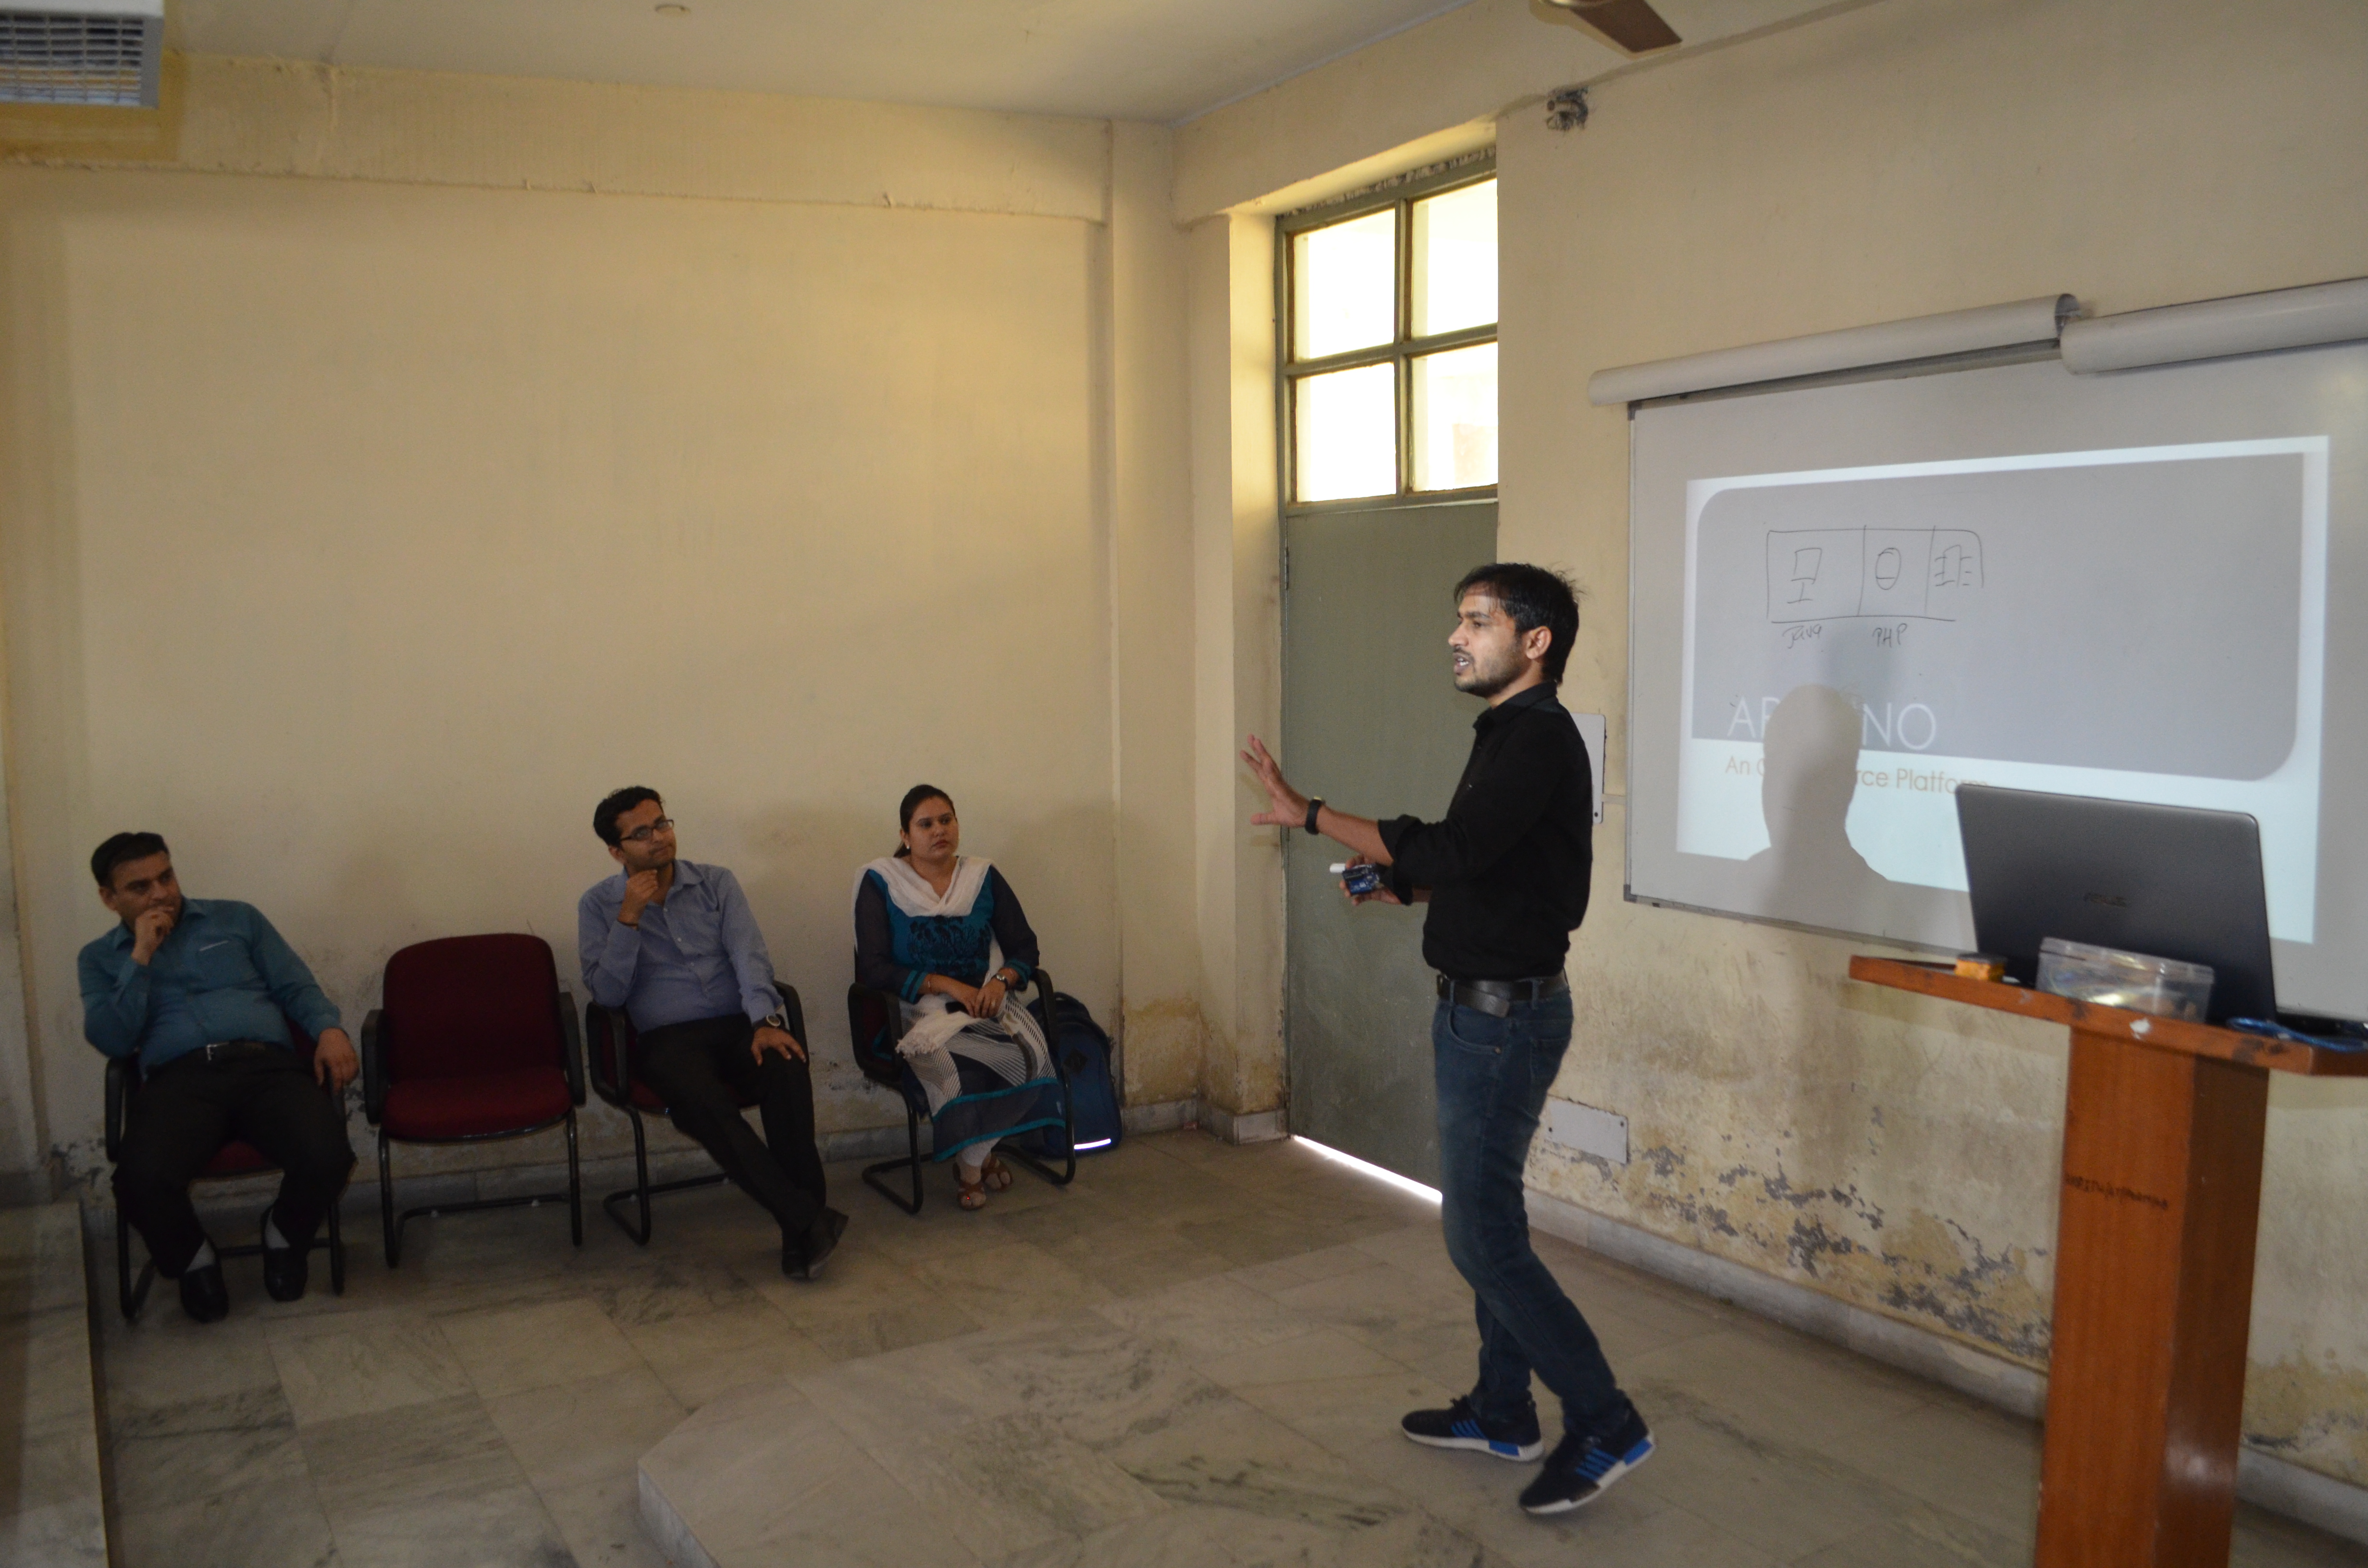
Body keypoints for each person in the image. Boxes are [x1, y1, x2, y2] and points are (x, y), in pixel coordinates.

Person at [1239, 562, 1653, 1518]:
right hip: (1484, 1010)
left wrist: (1310, 813)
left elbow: (1459, 849)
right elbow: (1501, 869)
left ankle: (1605, 1420)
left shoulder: (1538, 738)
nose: (1456, 637)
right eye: (1458, 619)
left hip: (1502, 1019)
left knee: (1477, 1235)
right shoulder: (1510, 732)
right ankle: (1503, 1409)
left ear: (1534, 641)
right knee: (1489, 1220)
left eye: (1477, 620)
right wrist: (1405, 884)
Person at [79, 833, 358, 1323]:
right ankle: (194, 1260)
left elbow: (295, 985)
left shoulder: (238, 919)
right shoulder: (99, 958)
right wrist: (140, 956)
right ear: (109, 898)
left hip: (264, 1068)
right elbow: (114, 1041)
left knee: (329, 1154)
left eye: (166, 877)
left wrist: (329, 1029)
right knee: (140, 1181)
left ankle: (284, 1235)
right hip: (180, 1083)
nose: (161, 893)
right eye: (141, 887)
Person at [578, 787, 844, 1279]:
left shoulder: (716, 882)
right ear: (617, 852)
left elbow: (749, 954)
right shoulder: (598, 905)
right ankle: (807, 1220)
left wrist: (764, 1022)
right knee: (701, 1103)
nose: (659, 838)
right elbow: (608, 996)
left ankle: (801, 1231)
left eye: (662, 824)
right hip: (668, 1040)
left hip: (738, 1024)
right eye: (642, 833)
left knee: (785, 1067)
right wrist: (628, 918)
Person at [853, 785, 1061, 1211]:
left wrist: (1000, 982)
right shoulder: (881, 882)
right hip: (917, 1015)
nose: (939, 831)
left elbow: (1024, 947)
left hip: (989, 1006)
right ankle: (974, 1167)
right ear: (906, 835)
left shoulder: (982, 876)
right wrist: (949, 986)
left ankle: (973, 1156)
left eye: (946, 820)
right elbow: (874, 969)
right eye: (926, 824)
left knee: (1031, 1059)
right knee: (957, 1070)